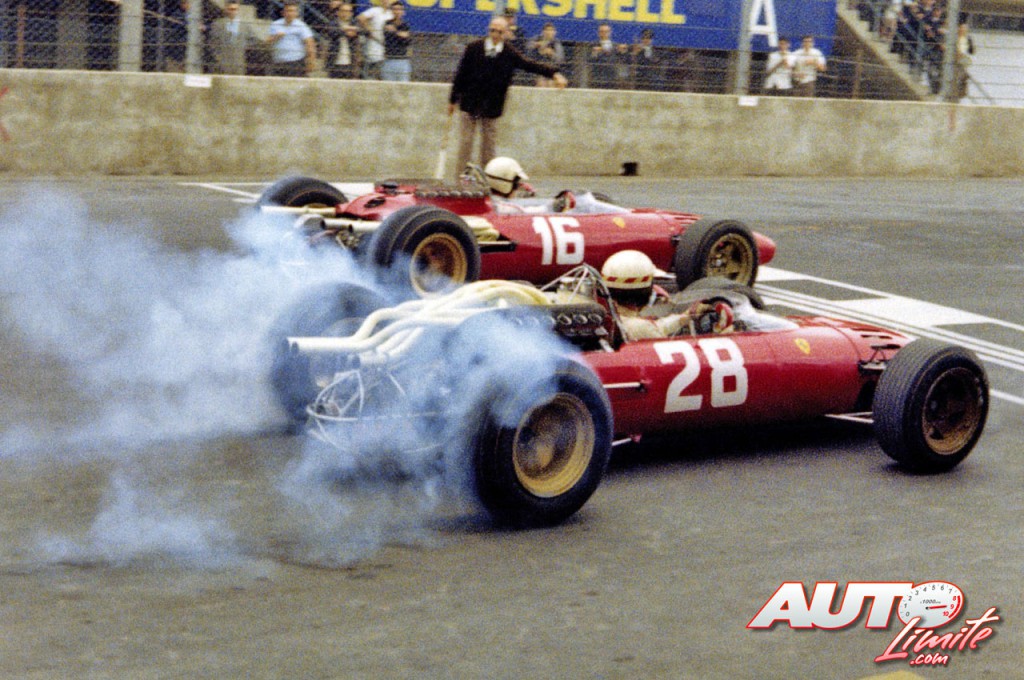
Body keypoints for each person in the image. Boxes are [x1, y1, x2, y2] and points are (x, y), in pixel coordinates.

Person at [447, 16, 567, 177]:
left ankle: (488, 180)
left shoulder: (509, 53)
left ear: (505, 33)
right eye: (492, 30)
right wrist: (453, 99)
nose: (495, 35)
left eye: (499, 32)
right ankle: (461, 179)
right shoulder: (474, 48)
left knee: (489, 147)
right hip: (470, 102)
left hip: (492, 105)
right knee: (466, 144)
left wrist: (554, 73)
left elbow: (529, 65)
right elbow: (461, 74)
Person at [601, 251, 729, 340]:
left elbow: (656, 328)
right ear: (644, 291)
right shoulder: (639, 327)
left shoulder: (611, 317)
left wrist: (685, 317)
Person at [266, 1, 316, 77]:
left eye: (293, 11)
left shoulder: (301, 26)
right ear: (283, 13)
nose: (290, 13)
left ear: (297, 13)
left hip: (295, 61)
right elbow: (267, 41)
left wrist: (311, 60)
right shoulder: (275, 24)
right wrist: (276, 37)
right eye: (288, 11)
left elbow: (309, 43)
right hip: (278, 61)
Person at [209, 1, 259, 75]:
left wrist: (242, 45)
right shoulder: (218, 24)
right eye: (230, 9)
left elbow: (254, 39)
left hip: (238, 60)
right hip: (222, 61)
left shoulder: (244, 26)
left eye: (235, 9)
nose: (232, 12)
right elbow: (212, 42)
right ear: (226, 9)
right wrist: (218, 57)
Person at [324, 2, 361, 79]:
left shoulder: (354, 23)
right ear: (338, 12)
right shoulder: (333, 23)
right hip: (334, 61)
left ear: (351, 13)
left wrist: (355, 30)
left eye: (348, 11)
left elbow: (364, 31)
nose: (345, 13)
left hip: (351, 62)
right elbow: (332, 33)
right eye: (343, 11)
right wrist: (346, 31)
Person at [358, 0, 393, 79]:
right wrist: (370, 30)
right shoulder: (375, 10)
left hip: (386, 45)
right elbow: (361, 18)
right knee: (371, 66)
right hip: (374, 43)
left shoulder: (391, 13)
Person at [589, 23, 628, 89]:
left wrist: (623, 52)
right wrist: (594, 53)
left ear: (610, 32)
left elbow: (623, 60)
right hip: (597, 77)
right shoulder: (593, 45)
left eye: (606, 31)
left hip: (612, 77)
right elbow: (589, 61)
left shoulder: (615, 45)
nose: (604, 34)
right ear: (598, 33)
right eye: (602, 31)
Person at [381, 1, 412, 82]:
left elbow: (406, 38)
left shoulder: (405, 25)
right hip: (389, 59)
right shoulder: (387, 23)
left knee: (403, 84)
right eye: (395, 9)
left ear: (403, 12)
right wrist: (400, 34)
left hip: (403, 60)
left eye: (399, 9)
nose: (397, 12)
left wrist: (395, 31)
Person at [529, 22, 565, 88]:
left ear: (554, 32)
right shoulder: (537, 39)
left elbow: (560, 59)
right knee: (541, 83)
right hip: (538, 69)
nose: (549, 32)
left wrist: (552, 53)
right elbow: (528, 48)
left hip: (551, 68)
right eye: (547, 30)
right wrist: (536, 45)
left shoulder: (556, 43)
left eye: (551, 30)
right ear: (543, 32)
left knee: (551, 83)